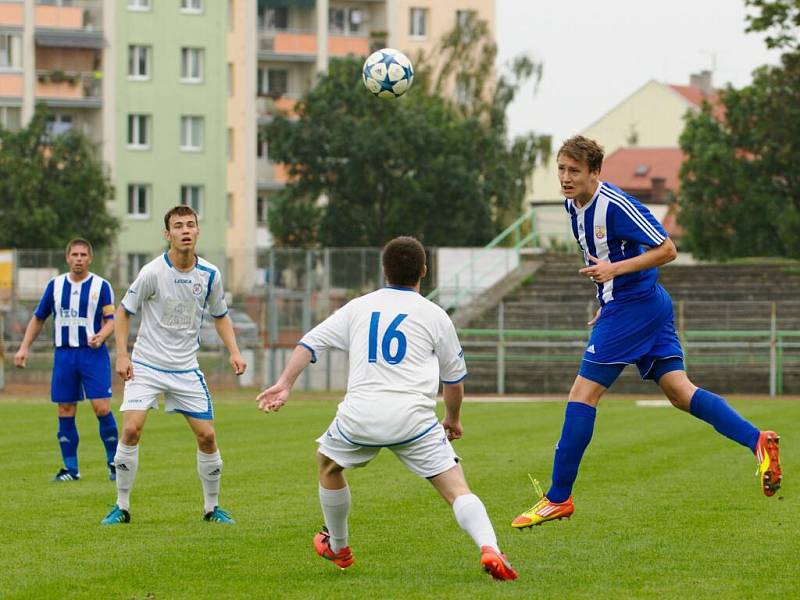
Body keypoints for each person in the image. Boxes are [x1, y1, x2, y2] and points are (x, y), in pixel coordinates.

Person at [512, 136, 782, 529]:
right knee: (680, 392)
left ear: (595, 172)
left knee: (583, 394)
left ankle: (558, 497)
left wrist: (615, 281)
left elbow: (667, 249)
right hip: (634, 306)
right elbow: (603, 257)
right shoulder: (573, 206)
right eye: (561, 169)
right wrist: (605, 298)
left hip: (635, 308)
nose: (565, 178)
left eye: (574, 171)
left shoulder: (616, 204)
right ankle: (758, 441)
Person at [256, 236, 517, 581]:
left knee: (328, 465)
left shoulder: (360, 306)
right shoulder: (435, 315)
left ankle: (339, 546)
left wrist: (286, 383)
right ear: (423, 271)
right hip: (413, 421)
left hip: (359, 417)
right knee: (456, 489)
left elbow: (310, 342)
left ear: (384, 270)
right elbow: (453, 381)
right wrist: (452, 419)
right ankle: (490, 547)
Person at [101, 206, 247, 525]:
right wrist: (123, 355)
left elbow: (221, 316)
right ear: (167, 234)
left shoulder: (210, 275)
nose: (185, 230)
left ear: (197, 231)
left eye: (190, 225)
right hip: (147, 366)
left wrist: (234, 351)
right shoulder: (153, 272)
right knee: (130, 429)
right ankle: (121, 506)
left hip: (185, 369)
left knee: (207, 436)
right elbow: (124, 312)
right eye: (178, 226)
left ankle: (212, 508)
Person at [14, 238, 118, 482]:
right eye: (75, 254)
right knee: (65, 409)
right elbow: (39, 318)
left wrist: (101, 336)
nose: (79, 259)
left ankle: (115, 465)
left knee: (101, 407)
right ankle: (71, 469)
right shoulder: (55, 285)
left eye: (83, 255)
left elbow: (111, 320)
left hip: (92, 355)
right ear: (67, 257)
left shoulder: (101, 286)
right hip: (64, 355)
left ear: (90, 258)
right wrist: (23, 348)